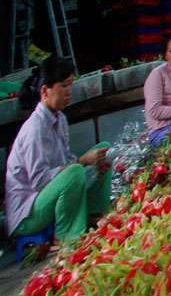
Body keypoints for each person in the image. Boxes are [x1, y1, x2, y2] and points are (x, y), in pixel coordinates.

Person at [5, 56, 112, 243]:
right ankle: (65, 237)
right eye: (63, 86)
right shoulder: (35, 127)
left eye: (70, 84)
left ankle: (93, 214)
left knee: (103, 151)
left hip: (47, 197)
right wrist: (81, 163)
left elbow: (66, 159)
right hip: (27, 214)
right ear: (45, 91)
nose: (69, 92)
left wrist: (92, 166)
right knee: (75, 171)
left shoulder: (59, 118)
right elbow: (39, 182)